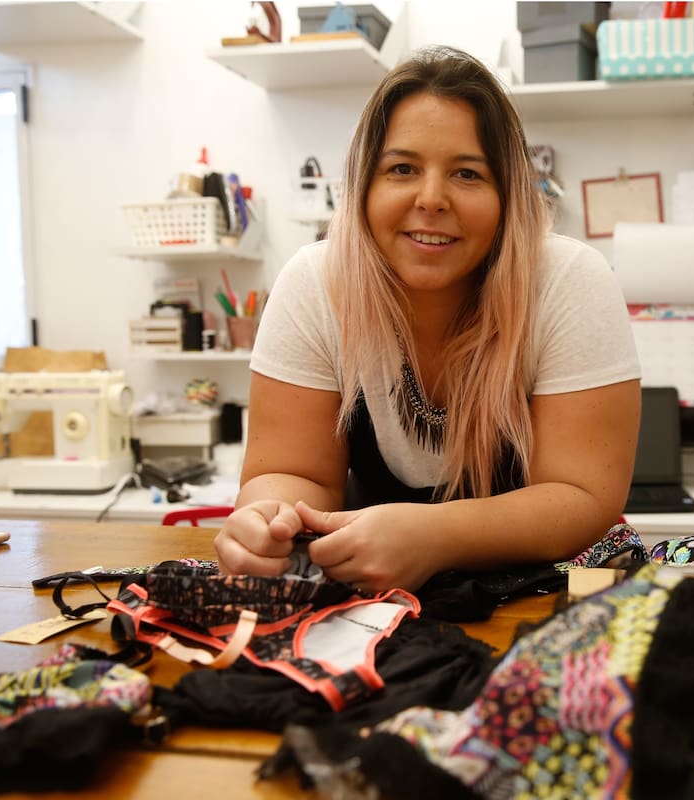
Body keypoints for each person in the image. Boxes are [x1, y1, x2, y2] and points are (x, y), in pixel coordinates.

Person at [214, 46, 642, 594]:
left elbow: (584, 498)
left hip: (549, 596)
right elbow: (295, 475)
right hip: (376, 605)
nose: (432, 199)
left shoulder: (569, 281)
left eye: (467, 173)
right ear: (365, 186)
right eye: (402, 169)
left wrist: (434, 537)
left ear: (508, 194)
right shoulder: (314, 283)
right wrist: (265, 523)